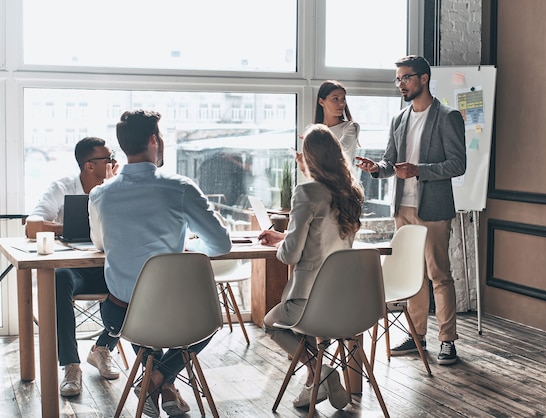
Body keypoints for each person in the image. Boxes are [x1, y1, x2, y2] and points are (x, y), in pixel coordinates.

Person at [89, 109, 231, 418]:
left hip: (121, 318)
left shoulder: (100, 194)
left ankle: (157, 381)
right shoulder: (179, 187)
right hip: (179, 315)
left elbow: (100, 245)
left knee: (147, 320)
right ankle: (161, 380)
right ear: (155, 140)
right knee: (207, 317)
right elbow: (221, 245)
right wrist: (185, 252)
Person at [356, 55, 466, 365]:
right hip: (402, 207)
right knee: (412, 275)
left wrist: (419, 170)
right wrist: (376, 167)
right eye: (398, 79)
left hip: (433, 208)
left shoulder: (447, 116)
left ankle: (448, 340)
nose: (400, 84)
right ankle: (417, 336)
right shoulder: (398, 119)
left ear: (424, 79)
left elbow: (458, 164)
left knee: (439, 275)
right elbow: (391, 162)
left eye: (405, 78)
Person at [260, 124, 364, 410]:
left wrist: (281, 245)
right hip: (348, 302)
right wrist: (283, 237)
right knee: (296, 326)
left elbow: (290, 257)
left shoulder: (306, 191)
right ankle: (314, 381)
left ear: (309, 157)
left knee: (270, 324)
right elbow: (327, 239)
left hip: (310, 302)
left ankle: (322, 371)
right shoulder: (351, 192)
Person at [24, 137, 121, 397]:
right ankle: (71, 364)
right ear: (90, 165)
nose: (115, 163)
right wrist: (69, 227)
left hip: (109, 266)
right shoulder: (62, 187)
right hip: (74, 270)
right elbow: (31, 225)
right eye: (109, 159)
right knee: (59, 278)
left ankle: (102, 349)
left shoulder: (118, 187)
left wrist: (114, 188)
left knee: (139, 277)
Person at [314, 80, 360, 165]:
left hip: (341, 178)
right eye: (335, 99)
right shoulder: (316, 131)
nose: (342, 104)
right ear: (321, 101)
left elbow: (337, 152)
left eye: (343, 99)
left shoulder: (350, 127)